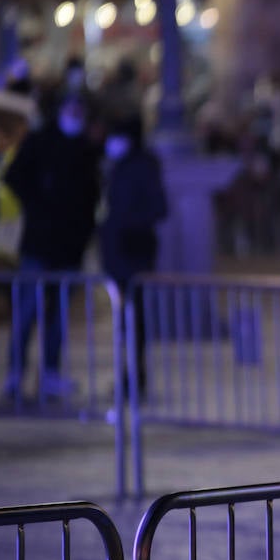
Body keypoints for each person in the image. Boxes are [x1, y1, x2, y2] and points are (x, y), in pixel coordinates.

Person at [2, 88, 101, 398]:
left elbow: (91, 195)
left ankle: (50, 373)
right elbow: (14, 176)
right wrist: (40, 202)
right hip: (40, 244)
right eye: (70, 107)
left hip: (69, 247)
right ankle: (16, 374)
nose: (75, 114)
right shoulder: (40, 141)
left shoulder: (85, 148)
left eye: (79, 108)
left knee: (57, 316)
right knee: (27, 312)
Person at [99, 115, 168, 400]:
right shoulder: (120, 166)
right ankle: (129, 375)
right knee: (126, 320)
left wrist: (125, 225)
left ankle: (134, 376)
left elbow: (157, 208)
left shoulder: (141, 167)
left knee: (133, 319)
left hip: (133, 253)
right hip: (119, 252)